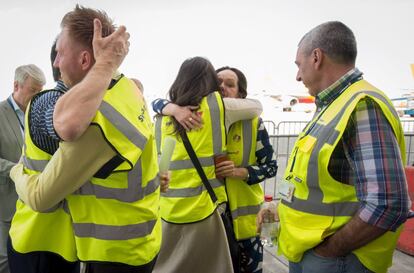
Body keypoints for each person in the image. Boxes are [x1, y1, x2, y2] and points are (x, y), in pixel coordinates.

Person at [7, 5, 164, 273]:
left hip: (107, 251)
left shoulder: (93, 118)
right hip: (139, 240)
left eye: (60, 54)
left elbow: (41, 195)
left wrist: (16, 171)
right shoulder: (128, 89)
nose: (55, 63)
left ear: (83, 60)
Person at [258, 21, 409, 273]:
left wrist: (329, 251)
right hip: (311, 253)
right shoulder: (330, 106)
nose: (297, 75)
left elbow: (387, 203)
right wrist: (278, 206)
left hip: (335, 259)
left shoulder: (362, 106)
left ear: (316, 57)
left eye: (299, 64)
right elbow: (302, 175)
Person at [154, 66, 277, 273]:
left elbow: (271, 167)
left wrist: (240, 172)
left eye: (230, 84)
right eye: (217, 82)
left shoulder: (253, 124)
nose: (222, 88)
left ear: (240, 94)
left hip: (245, 226)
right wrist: (172, 108)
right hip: (210, 223)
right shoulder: (197, 121)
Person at [0, 64, 45, 273]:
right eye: (33, 90)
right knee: (5, 262)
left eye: (40, 91)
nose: (37, 96)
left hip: (33, 204)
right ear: (16, 86)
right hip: (6, 204)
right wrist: (14, 169)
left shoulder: (39, 116)